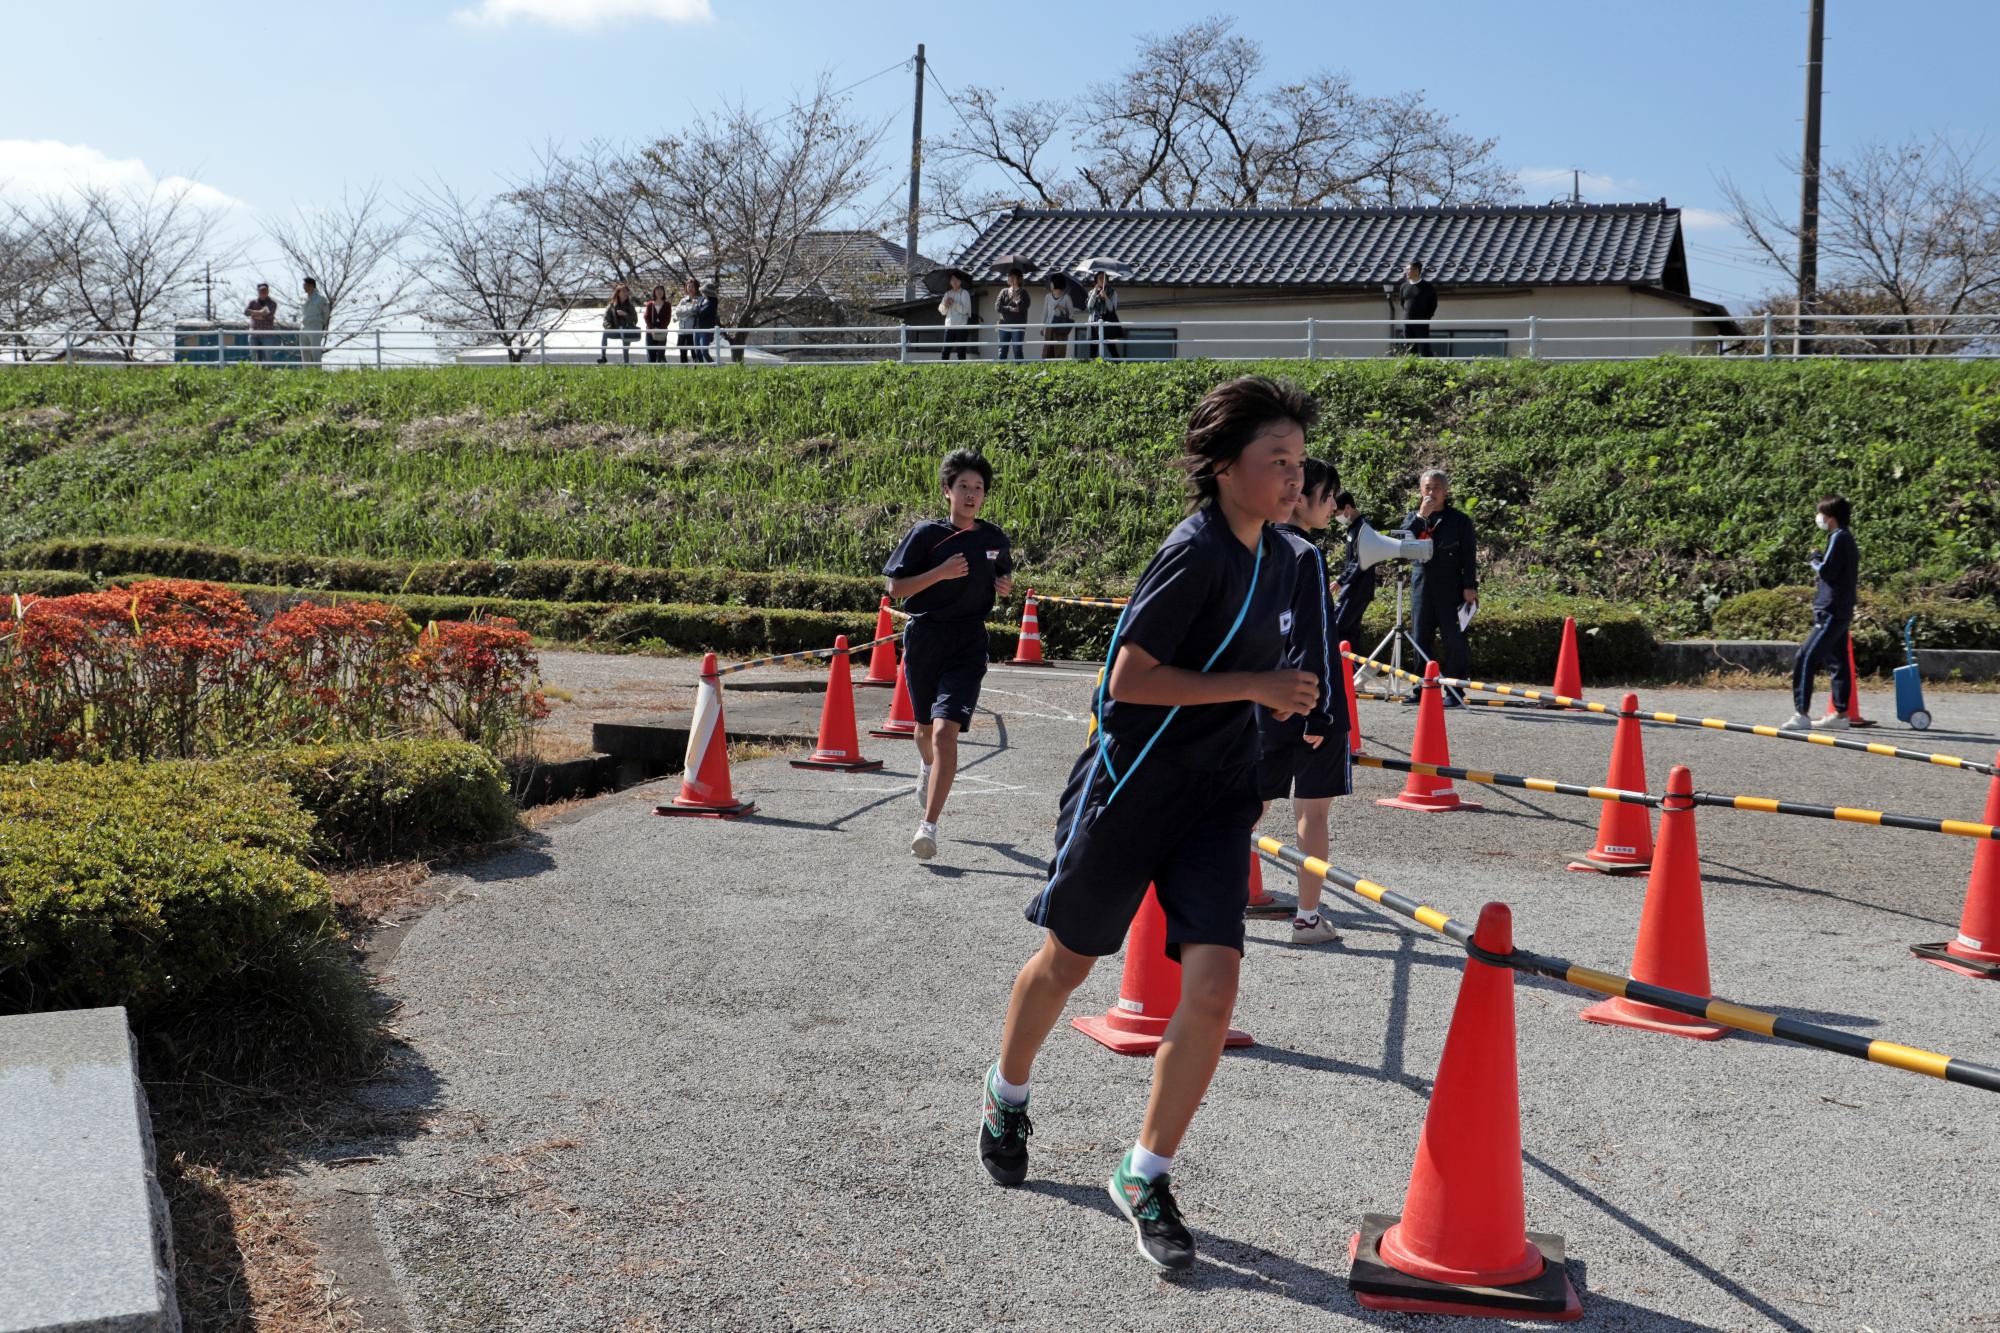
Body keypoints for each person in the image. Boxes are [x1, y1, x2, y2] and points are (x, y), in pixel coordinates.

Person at [982, 375, 1319, 1273]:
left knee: (1212, 987)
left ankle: (1145, 1171)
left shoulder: (1287, 558)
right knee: (1070, 960)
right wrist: (1252, 686)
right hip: (1131, 786)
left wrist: (1285, 707)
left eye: (1298, 461)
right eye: (1274, 461)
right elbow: (1126, 678)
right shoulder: (1194, 551)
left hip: (1217, 799)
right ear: (1220, 468)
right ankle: (1006, 1091)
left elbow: (1265, 668)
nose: (1292, 477)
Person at [882, 450, 1014, 860]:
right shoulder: (926, 535)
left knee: (944, 732)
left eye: (978, 488)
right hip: (925, 639)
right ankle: (926, 768)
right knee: (923, 731)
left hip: (968, 642)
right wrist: (939, 573)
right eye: (963, 487)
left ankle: (929, 826)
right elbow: (894, 590)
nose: (971, 494)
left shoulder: (994, 539)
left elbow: (1001, 574)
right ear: (947, 491)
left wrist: (1004, 586)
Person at [1256, 457, 1349, 946]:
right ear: (1303, 494)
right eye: (1328, 495)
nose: (1334, 506)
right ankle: (1308, 918)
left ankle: (1217, 905)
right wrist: (1322, 712)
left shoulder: (1253, 542)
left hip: (1260, 699)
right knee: (1311, 815)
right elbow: (1315, 639)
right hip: (1308, 701)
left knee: (1247, 809)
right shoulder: (1305, 554)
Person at [1401, 468, 1477, 704]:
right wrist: (1421, 518)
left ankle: (1455, 690)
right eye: (1427, 488)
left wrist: (1469, 585)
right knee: (1419, 636)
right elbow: (1403, 545)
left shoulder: (1460, 521)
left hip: (1451, 584)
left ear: (1445, 491)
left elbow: (1468, 556)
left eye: (1436, 488)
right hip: (1421, 583)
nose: (1431, 493)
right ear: (1420, 490)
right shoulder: (1413, 518)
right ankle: (1421, 687)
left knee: (1453, 638)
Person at [1783, 496, 1859, 731]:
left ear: (1831, 517)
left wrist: (1815, 559)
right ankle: (1840, 714)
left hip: (1831, 611)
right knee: (1838, 662)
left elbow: (1826, 571)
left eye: (1822, 515)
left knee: (1805, 656)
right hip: (1840, 608)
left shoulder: (1839, 538)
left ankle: (1801, 713)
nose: (1820, 519)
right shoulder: (1844, 538)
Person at [1328, 491, 1377, 654]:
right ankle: (1359, 670)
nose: (1336, 517)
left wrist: (1340, 581)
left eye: (1337, 512)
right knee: (1350, 632)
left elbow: (1360, 561)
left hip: (1358, 589)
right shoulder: (1353, 527)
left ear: (1348, 507)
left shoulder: (1364, 528)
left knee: (1337, 626)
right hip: (1353, 588)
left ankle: (1353, 669)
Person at [1395, 260, 1438, 358]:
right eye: (1406, 269)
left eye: (1409, 269)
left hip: (1421, 322)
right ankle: (1411, 368)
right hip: (1407, 322)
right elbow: (1403, 302)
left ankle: (1427, 367)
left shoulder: (1427, 287)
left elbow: (1433, 304)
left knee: (1424, 348)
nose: (1406, 272)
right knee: (1409, 348)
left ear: (1417, 270)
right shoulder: (1404, 286)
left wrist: (1426, 317)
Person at [1083, 271, 1122, 360]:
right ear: (1096, 280)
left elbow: (1112, 309)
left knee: (1111, 346)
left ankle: (1118, 363)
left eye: (1104, 278)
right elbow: (1089, 307)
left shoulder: (1112, 292)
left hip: (1107, 321)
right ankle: (1093, 366)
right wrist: (1095, 292)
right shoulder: (1091, 292)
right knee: (1093, 347)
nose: (1102, 280)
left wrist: (1106, 297)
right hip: (1094, 322)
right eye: (1100, 278)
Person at [994, 269, 1030, 361]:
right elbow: (997, 307)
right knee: (1002, 352)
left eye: (1012, 276)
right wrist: (1010, 309)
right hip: (1003, 325)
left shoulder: (1023, 292)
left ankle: (1019, 373)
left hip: (1018, 326)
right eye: (1009, 276)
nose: (1009, 278)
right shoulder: (1004, 291)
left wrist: (1016, 299)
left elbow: (1024, 307)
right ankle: (1000, 373)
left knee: (1017, 351)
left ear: (1018, 279)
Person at [597, 283, 638, 363]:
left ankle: (626, 363)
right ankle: (603, 357)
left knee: (625, 347)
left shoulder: (630, 306)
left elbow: (635, 320)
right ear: (618, 293)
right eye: (623, 292)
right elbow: (605, 320)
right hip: (615, 330)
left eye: (627, 292)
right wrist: (610, 328)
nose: (626, 294)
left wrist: (625, 314)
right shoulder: (611, 306)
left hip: (627, 330)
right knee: (605, 334)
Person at [937, 272, 974, 361]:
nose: (954, 282)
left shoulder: (964, 293)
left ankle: (961, 370)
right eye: (952, 279)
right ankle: (944, 369)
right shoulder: (947, 294)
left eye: (957, 280)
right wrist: (945, 304)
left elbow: (966, 310)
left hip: (961, 326)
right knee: (945, 351)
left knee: (961, 351)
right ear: (950, 282)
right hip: (949, 326)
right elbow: (942, 311)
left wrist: (954, 303)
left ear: (960, 281)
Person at [1040, 275, 1074, 359]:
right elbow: (1045, 313)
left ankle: (1058, 368)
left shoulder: (1067, 298)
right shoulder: (1048, 297)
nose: (1050, 284)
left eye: (1051, 283)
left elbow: (1071, 315)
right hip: (1049, 327)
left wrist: (1062, 309)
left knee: (1060, 350)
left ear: (1055, 284)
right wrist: (1042, 327)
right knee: (1047, 350)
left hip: (1061, 328)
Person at [244, 283, 278, 363]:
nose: (263, 292)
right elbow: (246, 312)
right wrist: (261, 312)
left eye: (265, 290)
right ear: (258, 291)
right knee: (253, 355)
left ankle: (268, 372)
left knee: (268, 356)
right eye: (261, 291)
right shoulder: (252, 302)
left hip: (267, 334)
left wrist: (253, 313)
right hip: (254, 333)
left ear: (268, 291)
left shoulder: (272, 303)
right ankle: (255, 373)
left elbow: (267, 316)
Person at [299, 277, 330, 366]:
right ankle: (306, 373)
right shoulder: (302, 298)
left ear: (311, 285)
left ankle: (317, 371)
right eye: (304, 285)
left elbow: (326, 313)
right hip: (304, 326)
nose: (304, 287)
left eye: (306, 285)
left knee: (315, 351)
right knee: (304, 352)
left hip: (315, 326)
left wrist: (322, 324)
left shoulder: (321, 299)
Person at [673, 278, 702, 364]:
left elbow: (696, 311)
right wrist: (690, 310)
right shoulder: (683, 300)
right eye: (688, 286)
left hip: (694, 331)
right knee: (683, 353)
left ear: (697, 287)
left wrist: (684, 311)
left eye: (692, 286)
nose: (690, 288)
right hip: (682, 330)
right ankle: (684, 371)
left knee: (695, 354)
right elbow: (677, 313)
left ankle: (697, 371)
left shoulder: (700, 299)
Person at [643, 283, 673, 364]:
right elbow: (646, 317)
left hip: (662, 332)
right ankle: (651, 372)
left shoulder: (667, 305)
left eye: (661, 290)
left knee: (661, 353)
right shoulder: (650, 304)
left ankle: (661, 371)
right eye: (657, 290)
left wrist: (661, 328)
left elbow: (668, 318)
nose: (659, 292)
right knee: (651, 353)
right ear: (654, 292)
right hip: (650, 332)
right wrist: (652, 328)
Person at [695, 282, 720, 362]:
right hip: (697, 328)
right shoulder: (703, 300)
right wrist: (697, 308)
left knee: (704, 351)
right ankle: (700, 368)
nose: (701, 292)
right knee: (697, 351)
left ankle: (713, 367)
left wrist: (696, 307)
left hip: (706, 330)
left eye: (703, 291)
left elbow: (701, 312)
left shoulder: (713, 302)